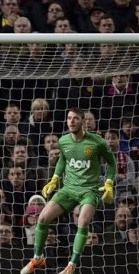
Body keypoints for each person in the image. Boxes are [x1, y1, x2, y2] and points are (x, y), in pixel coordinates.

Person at [21, 107, 117, 274]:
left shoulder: (97, 142)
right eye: (69, 118)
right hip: (68, 189)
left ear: (83, 122)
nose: (71, 121)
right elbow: (62, 160)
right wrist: (55, 178)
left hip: (89, 190)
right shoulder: (63, 141)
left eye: (75, 118)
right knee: (43, 218)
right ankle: (38, 258)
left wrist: (108, 182)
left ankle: (71, 265)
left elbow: (112, 163)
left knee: (83, 221)